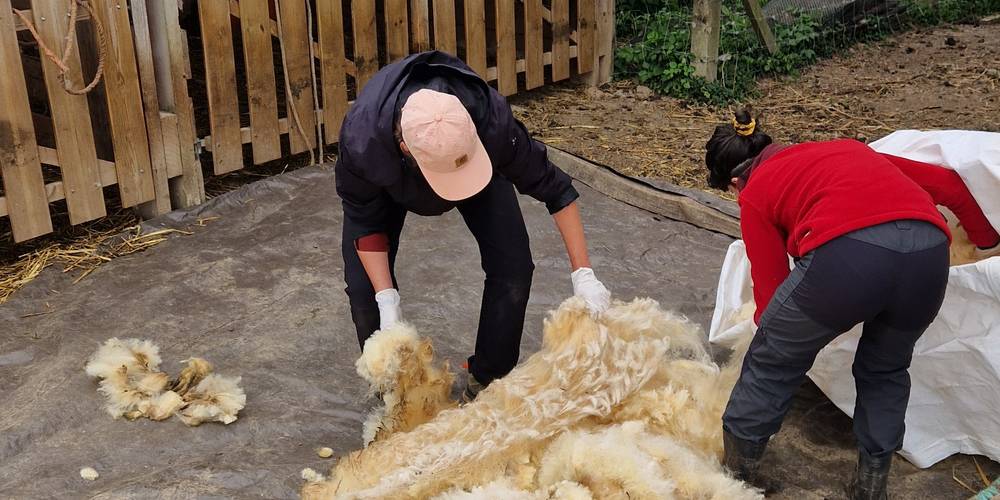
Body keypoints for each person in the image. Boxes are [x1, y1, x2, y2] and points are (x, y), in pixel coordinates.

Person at [704, 110, 1000, 499]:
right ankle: (870, 487)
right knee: (886, 369)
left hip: (850, 257)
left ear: (735, 181)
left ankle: (736, 476)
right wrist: (985, 241)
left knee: (773, 359)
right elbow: (948, 185)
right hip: (928, 256)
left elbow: (771, 290)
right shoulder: (846, 149)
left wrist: (781, 334)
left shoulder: (755, 192)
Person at [335, 51, 611, 402]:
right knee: (365, 295)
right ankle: (398, 400)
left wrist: (584, 274)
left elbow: (556, 190)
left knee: (513, 268)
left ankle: (488, 379)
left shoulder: (490, 120)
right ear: (405, 148)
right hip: (389, 182)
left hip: (477, 166)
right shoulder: (363, 142)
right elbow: (365, 222)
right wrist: (387, 301)